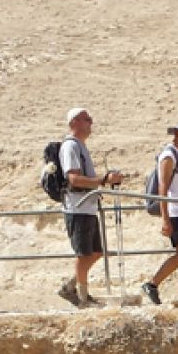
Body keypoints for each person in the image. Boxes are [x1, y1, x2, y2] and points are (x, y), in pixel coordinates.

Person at [59, 107, 122, 307]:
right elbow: (74, 178)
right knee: (83, 253)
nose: (91, 123)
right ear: (75, 122)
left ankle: (72, 287)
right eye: (87, 119)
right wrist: (103, 179)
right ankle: (82, 298)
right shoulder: (70, 147)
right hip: (77, 208)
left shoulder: (80, 146)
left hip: (87, 207)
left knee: (95, 252)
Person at [141, 112, 178, 305]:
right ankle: (152, 283)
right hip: (175, 211)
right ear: (177, 132)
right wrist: (165, 219)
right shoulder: (168, 155)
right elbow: (163, 188)